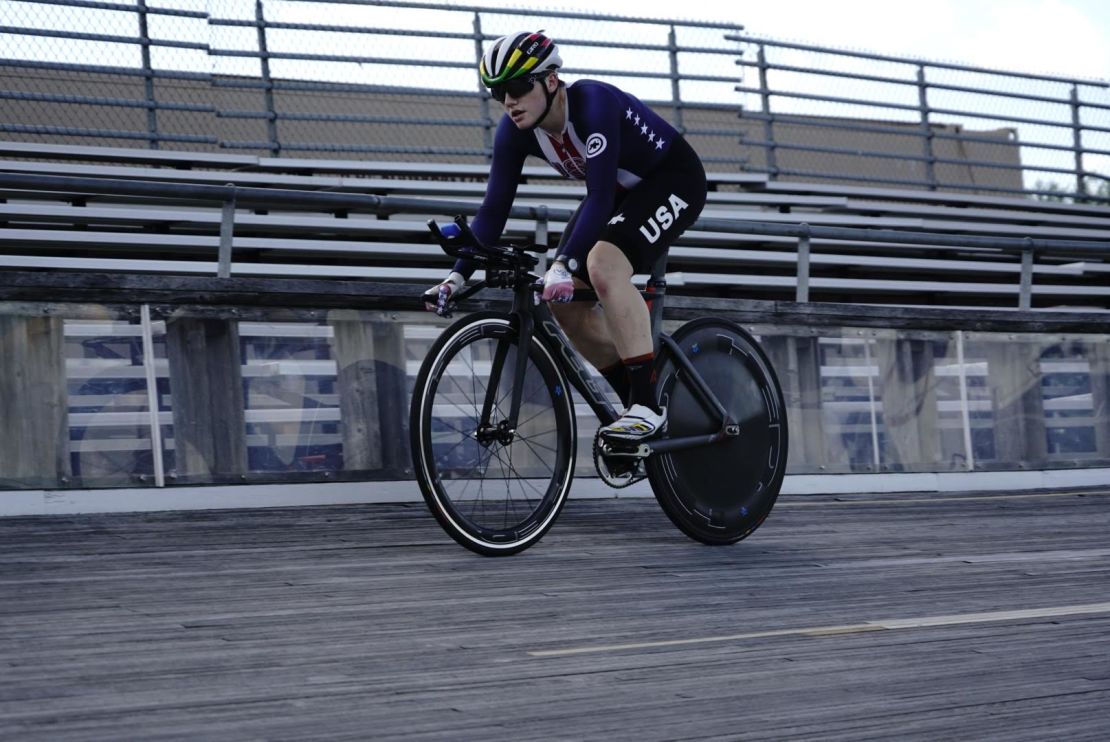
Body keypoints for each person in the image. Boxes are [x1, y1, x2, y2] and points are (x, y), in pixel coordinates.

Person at [423, 30, 707, 441]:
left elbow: (599, 194)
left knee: (602, 267)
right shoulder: (514, 131)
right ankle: (639, 400)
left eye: (518, 87)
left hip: (673, 180)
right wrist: (456, 277)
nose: (509, 102)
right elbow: (493, 209)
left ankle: (648, 406)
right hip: (620, 195)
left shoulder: (593, 104)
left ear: (550, 80)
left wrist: (563, 264)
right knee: (566, 305)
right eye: (498, 92)